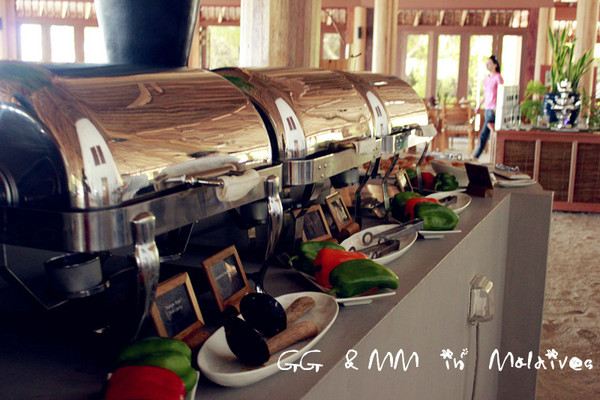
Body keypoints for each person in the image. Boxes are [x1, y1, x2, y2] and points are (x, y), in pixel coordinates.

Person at [473, 55, 503, 161]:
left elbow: (501, 93)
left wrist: (497, 107)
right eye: (486, 64)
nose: (487, 65)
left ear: (495, 65)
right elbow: (486, 94)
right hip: (487, 108)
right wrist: (479, 105)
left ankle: (475, 156)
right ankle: (480, 155)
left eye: (489, 63)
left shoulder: (498, 77)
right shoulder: (487, 78)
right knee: (487, 134)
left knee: (484, 133)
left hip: (493, 110)